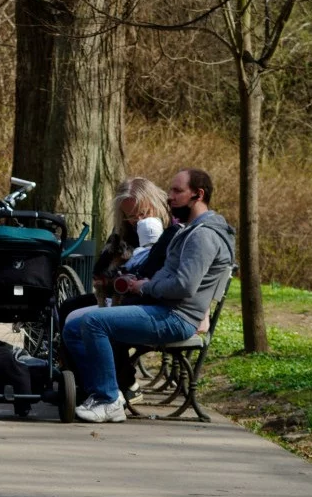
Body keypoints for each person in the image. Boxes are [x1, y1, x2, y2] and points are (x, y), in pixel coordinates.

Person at [63, 167, 233, 423]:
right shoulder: (190, 231)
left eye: (177, 191)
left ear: (198, 195)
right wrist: (142, 282)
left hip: (175, 317)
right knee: (73, 327)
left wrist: (143, 287)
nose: (170, 196)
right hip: (164, 309)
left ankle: (109, 399)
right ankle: (105, 393)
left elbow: (184, 286)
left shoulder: (203, 236)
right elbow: (168, 274)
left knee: (94, 321)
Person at [94, 175, 169, 283]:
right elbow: (100, 272)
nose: (139, 220)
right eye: (132, 216)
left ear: (155, 204)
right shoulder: (123, 230)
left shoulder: (172, 225)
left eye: (144, 213)